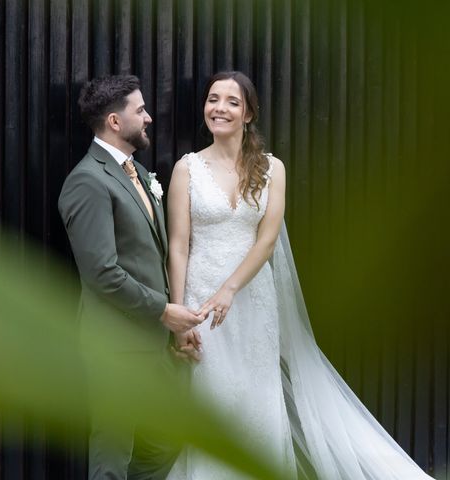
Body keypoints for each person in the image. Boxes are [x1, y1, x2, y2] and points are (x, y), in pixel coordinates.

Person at [165, 71, 433, 479]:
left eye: (232, 102)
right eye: (212, 99)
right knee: (215, 399)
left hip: (251, 300)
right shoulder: (187, 169)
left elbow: (266, 242)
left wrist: (230, 290)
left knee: (258, 399)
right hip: (202, 304)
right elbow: (179, 246)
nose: (219, 108)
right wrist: (180, 314)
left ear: (249, 113)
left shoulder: (273, 169)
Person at [58, 74, 204, 480]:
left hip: (153, 344)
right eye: (140, 110)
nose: (149, 118)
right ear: (114, 122)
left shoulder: (136, 171)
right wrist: (164, 311)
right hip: (115, 343)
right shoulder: (87, 180)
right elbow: (102, 272)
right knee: (112, 453)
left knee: (164, 443)